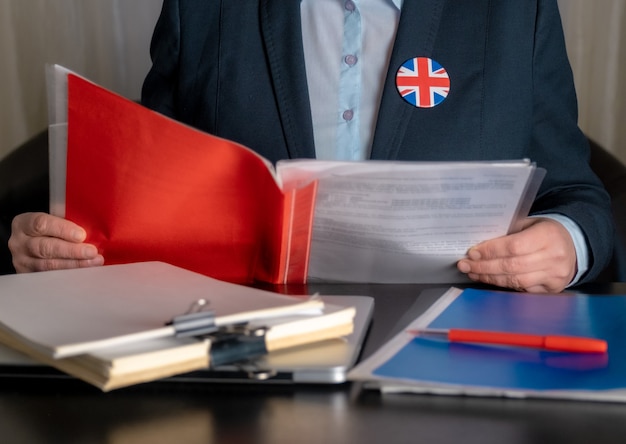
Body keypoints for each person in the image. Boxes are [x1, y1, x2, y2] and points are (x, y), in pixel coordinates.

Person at [8, 0, 614, 294]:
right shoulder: (203, 11)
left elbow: (578, 196)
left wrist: (568, 243)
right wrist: (63, 250)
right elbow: (143, 199)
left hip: (453, 349)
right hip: (244, 359)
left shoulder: (513, 11)